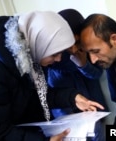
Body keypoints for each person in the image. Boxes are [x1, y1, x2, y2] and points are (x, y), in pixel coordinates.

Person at [0, 11, 104, 141]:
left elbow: (37, 97)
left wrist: (72, 97)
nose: (59, 59)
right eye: (54, 54)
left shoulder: (33, 53)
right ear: (40, 43)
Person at [45, 9, 109, 141]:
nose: (73, 49)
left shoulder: (86, 47)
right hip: (66, 117)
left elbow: (97, 74)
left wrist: (83, 64)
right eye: (69, 43)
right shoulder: (52, 55)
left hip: (94, 110)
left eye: (77, 42)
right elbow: (50, 92)